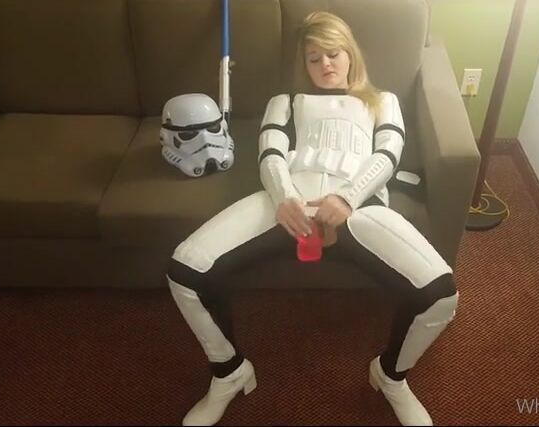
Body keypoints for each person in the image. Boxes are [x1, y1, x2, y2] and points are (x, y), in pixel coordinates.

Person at [166, 11, 459, 427]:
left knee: (442, 293)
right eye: (314, 57)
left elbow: (387, 154)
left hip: (360, 208)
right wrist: (284, 196)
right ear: (303, 65)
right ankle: (229, 373)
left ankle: (390, 376)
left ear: (350, 54)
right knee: (185, 268)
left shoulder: (383, 101)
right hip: (286, 201)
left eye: (333, 53)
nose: (325, 64)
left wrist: (348, 197)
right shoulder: (285, 102)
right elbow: (270, 152)